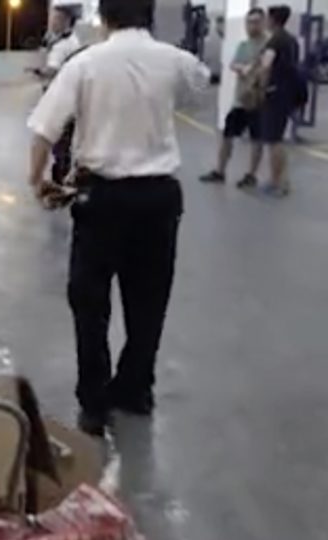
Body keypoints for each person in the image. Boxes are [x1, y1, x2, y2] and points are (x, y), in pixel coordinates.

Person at [27, 0, 209, 436]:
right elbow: (198, 87)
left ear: (104, 18)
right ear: (147, 16)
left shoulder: (86, 63)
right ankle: (135, 389)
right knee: (149, 301)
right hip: (159, 198)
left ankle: (93, 403)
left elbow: (44, 129)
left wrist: (37, 181)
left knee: (89, 303)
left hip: (101, 198)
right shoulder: (176, 61)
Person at [199, 8, 268, 187]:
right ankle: (220, 171)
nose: (252, 26)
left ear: (263, 22)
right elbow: (233, 64)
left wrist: (254, 72)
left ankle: (251, 175)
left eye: (256, 22)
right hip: (241, 98)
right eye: (250, 22)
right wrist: (241, 68)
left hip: (259, 100)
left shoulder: (268, 45)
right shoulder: (244, 45)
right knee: (227, 135)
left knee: (256, 138)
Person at [253, 5, 304, 197]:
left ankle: (276, 182)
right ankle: (283, 181)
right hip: (288, 95)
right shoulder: (291, 41)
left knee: (273, 141)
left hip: (275, 95)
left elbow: (266, 66)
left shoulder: (275, 40)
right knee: (278, 139)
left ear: (272, 20)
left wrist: (260, 87)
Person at [33, 6, 82, 184]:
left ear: (66, 21)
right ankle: (62, 174)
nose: (52, 23)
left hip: (60, 95)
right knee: (62, 139)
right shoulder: (66, 41)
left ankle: (62, 178)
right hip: (62, 94)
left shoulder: (65, 44)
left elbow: (53, 70)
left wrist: (40, 72)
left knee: (59, 138)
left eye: (56, 19)